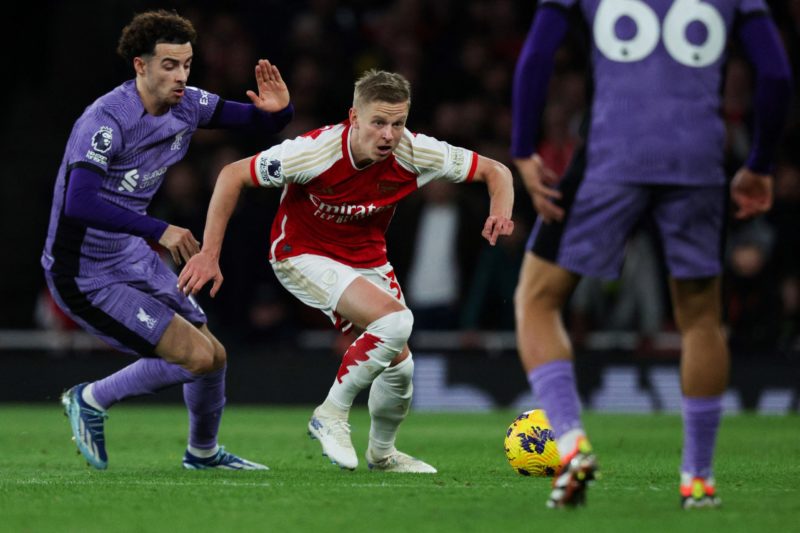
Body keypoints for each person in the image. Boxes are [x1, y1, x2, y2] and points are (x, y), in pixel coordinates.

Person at [511, 0, 792, 508]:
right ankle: (698, 480)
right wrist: (760, 163)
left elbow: (536, 55)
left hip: (610, 157)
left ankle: (572, 446)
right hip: (699, 159)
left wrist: (524, 148)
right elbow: (774, 71)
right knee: (702, 319)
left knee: (537, 299)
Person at [178, 69, 514, 472]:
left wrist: (501, 211)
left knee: (402, 368)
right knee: (396, 323)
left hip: (366, 259)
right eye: (378, 123)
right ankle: (331, 414)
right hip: (300, 254)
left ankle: (383, 455)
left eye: (398, 123)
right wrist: (209, 253)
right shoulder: (314, 152)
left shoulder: (415, 151)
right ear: (354, 117)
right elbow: (232, 175)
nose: (389, 135)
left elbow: (497, 171)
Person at [42, 9, 294, 470]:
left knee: (214, 356)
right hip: (86, 271)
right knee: (196, 356)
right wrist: (162, 229)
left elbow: (260, 123)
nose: (181, 76)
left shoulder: (188, 104)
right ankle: (90, 397)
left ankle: (202, 453)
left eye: (187, 65)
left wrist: (281, 112)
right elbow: (79, 202)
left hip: (132, 256)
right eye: (169, 65)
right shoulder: (105, 120)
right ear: (141, 66)